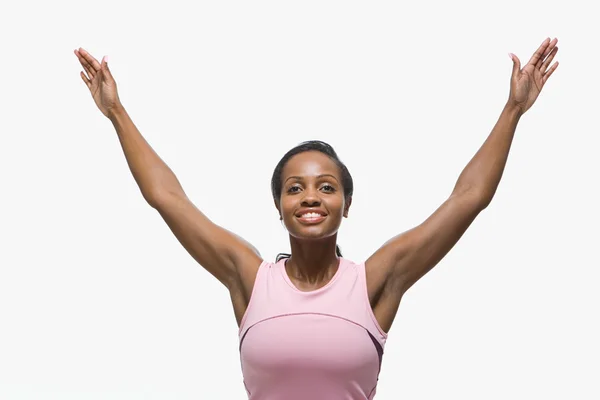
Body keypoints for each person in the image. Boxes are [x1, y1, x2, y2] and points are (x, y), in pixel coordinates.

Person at [74, 37, 559, 399]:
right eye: (295, 188)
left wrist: (514, 109)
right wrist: (116, 111)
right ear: (279, 205)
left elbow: (468, 198)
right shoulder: (248, 276)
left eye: (327, 187)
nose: (311, 197)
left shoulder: (373, 281)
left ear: (347, 204)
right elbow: (168, 198)